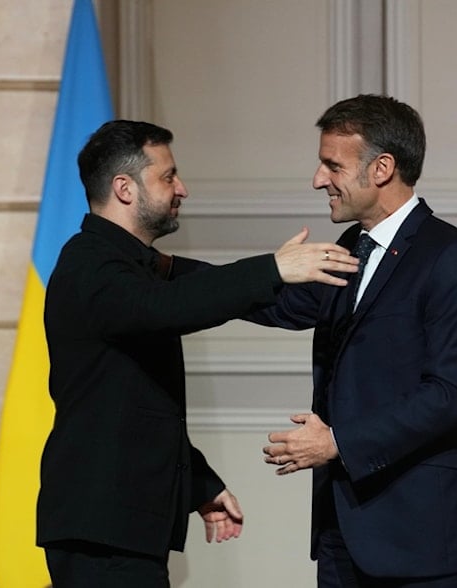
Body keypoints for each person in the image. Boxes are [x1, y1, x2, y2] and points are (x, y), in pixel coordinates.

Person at [36, 119, 358, 587]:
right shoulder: (90, 264)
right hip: (101, 532)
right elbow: (165, 308)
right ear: (124, 188)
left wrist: (200, 483)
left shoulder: (127, 267)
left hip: (115, 529)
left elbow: (132, 399)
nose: (181, 188)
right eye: (167, 176)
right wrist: (273, 267)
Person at [252, 95, 457, 587]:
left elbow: (449, 396)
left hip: (424, 541)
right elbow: (276, 304)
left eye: (332, 165)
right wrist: (164, 271)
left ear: (382, 168)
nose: (318, 180)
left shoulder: (451, 257)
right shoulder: (350, 250)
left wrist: (336, 442)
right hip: (343, 536)